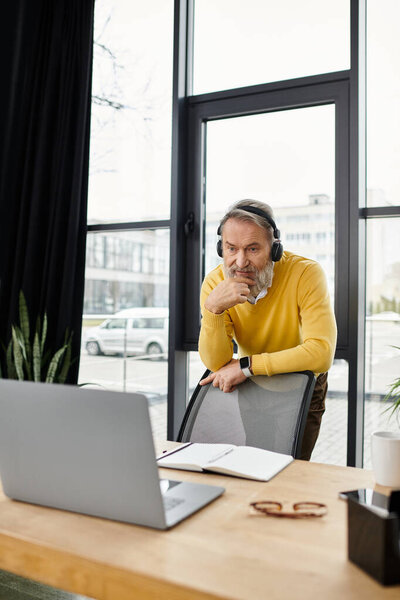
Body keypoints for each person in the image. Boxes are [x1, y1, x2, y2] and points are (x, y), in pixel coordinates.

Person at [198, 199, 337, 460]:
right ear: (221, 248)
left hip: (303, 383)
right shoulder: (215, 283)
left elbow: (321, 353)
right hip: (254, 385)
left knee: (292, 472)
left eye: (252, 249)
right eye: (231, 249)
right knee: (257, 465)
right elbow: (216, 361)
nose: (240, 262)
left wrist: (246, 365)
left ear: (274, 249)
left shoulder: (306, 273)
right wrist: (213, 310)